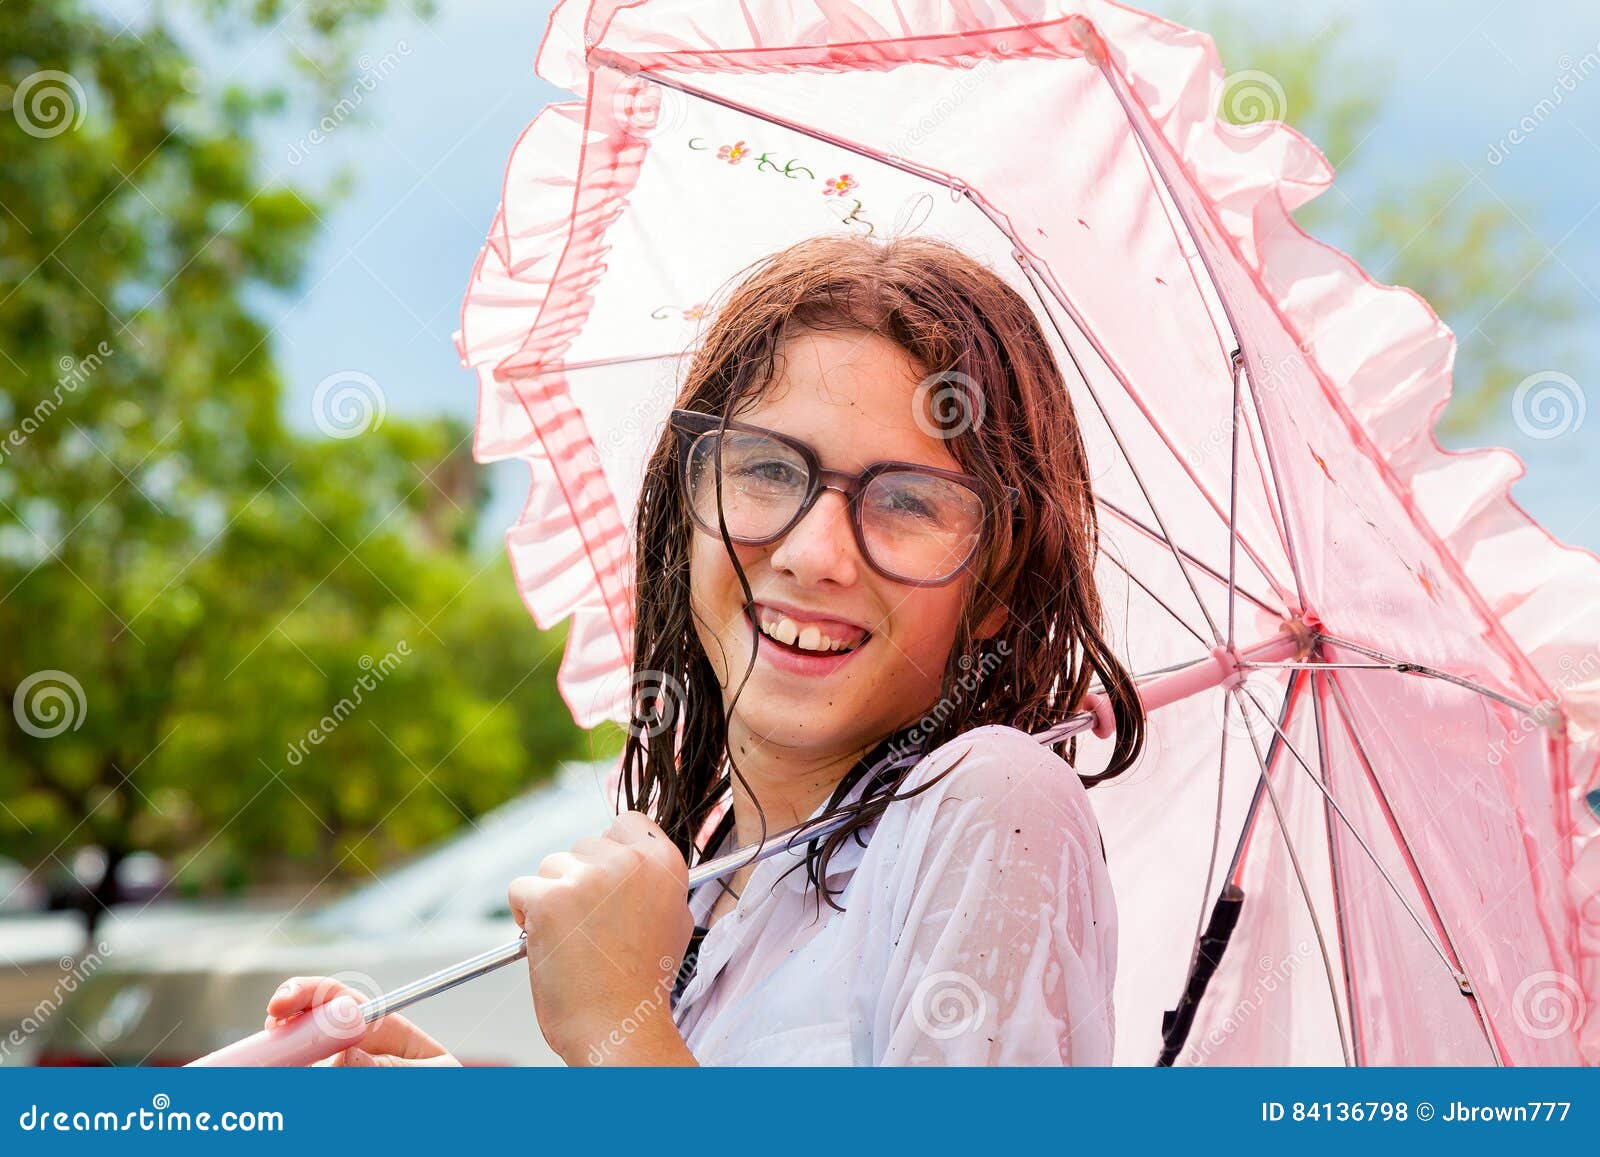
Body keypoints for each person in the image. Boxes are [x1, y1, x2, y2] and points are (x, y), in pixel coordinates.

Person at [265, 233, 1145, 1065]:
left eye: (907, 501)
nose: (813, 551)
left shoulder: (989, 800)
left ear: (992, 583)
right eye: (767, 469)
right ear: (686, 506)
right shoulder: (705, 870)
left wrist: (618, 1024)